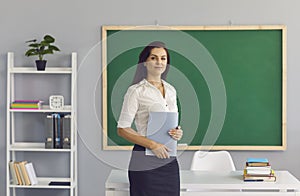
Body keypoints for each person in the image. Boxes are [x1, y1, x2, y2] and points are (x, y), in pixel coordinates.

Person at [117, 41, 183, 196]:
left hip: (168, 159)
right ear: (145, 62)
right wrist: (152, 144)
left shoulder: (171, 90)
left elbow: (172, 122)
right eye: (154, 58)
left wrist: (177, 132)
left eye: (163, 58)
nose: (159, 62)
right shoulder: (136, 91)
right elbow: (122, 129)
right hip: (144, 160)